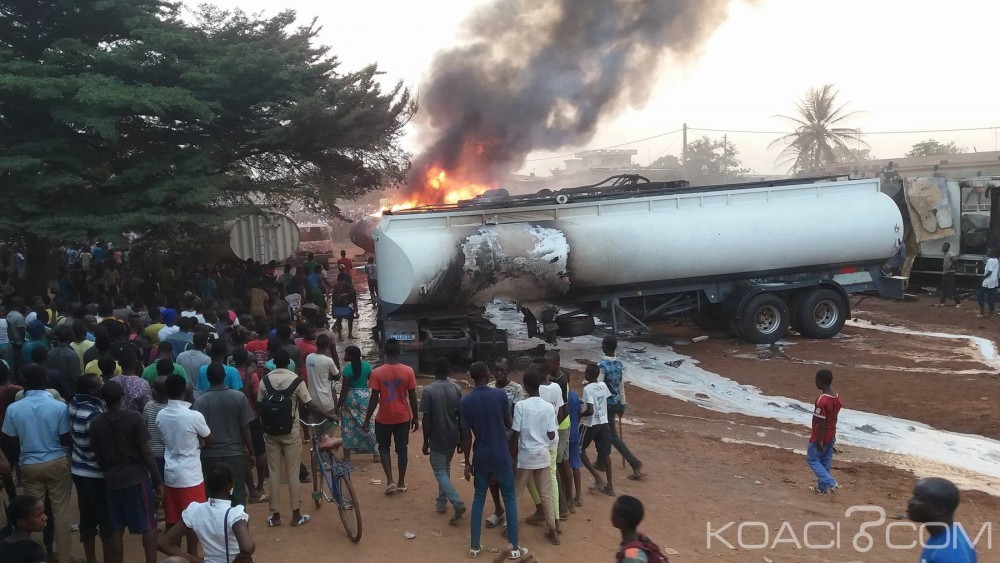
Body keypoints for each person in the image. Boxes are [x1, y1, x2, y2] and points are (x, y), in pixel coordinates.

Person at [1, 364, 73, 563]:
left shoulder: (14, 408)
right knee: (60, 512)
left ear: (24, 383)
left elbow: (10, 440)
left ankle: (38, 556)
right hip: (57, 461)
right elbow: (65, 438)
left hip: (29, 464)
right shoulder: (58, 406)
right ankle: (65, 558)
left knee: (33, 515)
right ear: (46, 382)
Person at [258, 348, 337, 527]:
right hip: (291, 432)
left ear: (274, 364)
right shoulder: (296, 380)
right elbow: (310, 405)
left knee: (274, 473)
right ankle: (296, 515)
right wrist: (330, 415)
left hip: (270, 433)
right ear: (289, 364)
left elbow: (260, 405)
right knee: (293, 473)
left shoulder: (265, 381)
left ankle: (276, 516)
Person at [89, 380, 163, 563]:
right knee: (148, 524)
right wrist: (158, 480)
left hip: (112, 480)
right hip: (137, 478)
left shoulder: (96, 423)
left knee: (116, 528)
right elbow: (146, 452)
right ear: (122, 397)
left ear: (103, 400)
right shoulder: (134, 418)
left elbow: (97, 454)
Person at [461, 361, 527, 560]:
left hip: (481, 456)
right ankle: (514, 548)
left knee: (479, 498)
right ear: (487, 374)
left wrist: (467, 462)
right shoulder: (499, 395)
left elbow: (466, 436)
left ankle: (474, 546)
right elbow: (508, 422)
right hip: (501, 454)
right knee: (510, 499)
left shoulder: (465, 401)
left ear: (472, 377)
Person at [157, 373, 211, 558]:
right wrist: (199, 439)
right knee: (193, 521)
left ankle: (175, 558)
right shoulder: (193, 416)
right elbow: (209, 438)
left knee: (173, 521)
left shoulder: (161, 415)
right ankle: (193, 557)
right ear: (185, 392)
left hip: (171, 473)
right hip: (191, 475)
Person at [158, 463, 256, 563]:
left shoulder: (195, 511)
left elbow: (163, 543)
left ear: (207, 485)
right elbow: (247, 548)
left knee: (173, 561)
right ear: (230, 486)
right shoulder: (235, 514)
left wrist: (196, 561)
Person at [194, 363, 256, 508]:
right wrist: (251, 452)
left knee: (213, 497)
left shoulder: (200, 402)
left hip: (210, 456)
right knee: (237, 496)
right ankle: (240, 528)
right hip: (233, 454)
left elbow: (198, 433)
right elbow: (245, 427)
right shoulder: (239, 397)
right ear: (225, 377)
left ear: (208, 378)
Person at [363, 338, 418, 495]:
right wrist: (414, 417)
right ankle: (401, 482)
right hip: (402, 417)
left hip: (384, 418)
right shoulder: (408, 371)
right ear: (399, 352)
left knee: (384, 448)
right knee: (402, 449)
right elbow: (413, 396)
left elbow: (374, 398)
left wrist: (367, 419)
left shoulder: (377, 373)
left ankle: (390, 481)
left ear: (384, 352)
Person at [511, 371, 559, 545]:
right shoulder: (548, 407)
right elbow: (552, 434)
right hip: (543, 454)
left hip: (526, 455)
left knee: (517, 494)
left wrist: (512, 453)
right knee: (546, 494)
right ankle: (553, 530)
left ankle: (512, 529)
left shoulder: (521, 406)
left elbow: (515, 433)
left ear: (526, 386)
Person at [68, 375, 108, 563]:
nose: (102, 386)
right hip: (95, 472)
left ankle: (90, 559)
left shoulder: (74, 403)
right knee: (104, 519)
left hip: (78, 467)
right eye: (99, 385)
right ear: (92, 391)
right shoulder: (94, 414)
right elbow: (99, 447)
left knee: (87, 517)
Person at [420, 358, 465, 523]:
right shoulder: (457, 388)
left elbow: (426, 419)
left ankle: (456, 501)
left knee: (440, 471)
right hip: (453, 436)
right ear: (449, 372)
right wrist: (461, 438)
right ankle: (441, 502)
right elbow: (461, 415)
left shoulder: (429, 390)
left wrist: (425, 441)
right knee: (445, 469)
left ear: (434, 371)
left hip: (437, 437)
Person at [599, 336, 643, 480]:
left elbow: (598, 386)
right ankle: (600, 462)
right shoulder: (618, 364)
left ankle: (634, 462)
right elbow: (621, 386)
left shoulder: (602, 366)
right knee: (602, 431)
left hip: (605, 404)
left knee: (611, 435)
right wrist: (623, 404)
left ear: (605, 346)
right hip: (616, 402)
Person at [906, 477, 978, 563]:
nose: (909, 501)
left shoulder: (947, 556)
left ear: (940, 510)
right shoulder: (947, 534)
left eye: (918, 498)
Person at [233, 349, 267, 503]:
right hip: (252, 417)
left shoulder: (230, 374)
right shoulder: (252, 375)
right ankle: (259, 486)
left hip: (235, 420)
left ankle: (250, 488)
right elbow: (256, 396)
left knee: (243, 453)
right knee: (259, 452)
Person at [335, 345, 379, 462]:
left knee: (348, 428)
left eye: (346, 354)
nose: (344, 356)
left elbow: (344, 389)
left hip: (350, 399)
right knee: (368, 425)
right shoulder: (367, 366)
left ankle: (347, 457)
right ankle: (376, 454)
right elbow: (372, 381)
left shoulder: (346, 369)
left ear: (351, 356)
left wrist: (338, 404)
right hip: (364, 397)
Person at [580, 364, 615, 496]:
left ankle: (598, 479)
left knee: (579, 449)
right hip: (603, 421)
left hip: (591, 423)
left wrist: (579, 414)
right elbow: (603, 400)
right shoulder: (603, 385)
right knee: (605, 454)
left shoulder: (587, 389)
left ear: (588, 375)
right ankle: (610, 486)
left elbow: (589, 410)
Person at [807, 369, 842, 494]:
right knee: (825, 462)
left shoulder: (822, 401)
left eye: (816, 380)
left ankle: (830, 482)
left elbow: (821, 420)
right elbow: (835, 418)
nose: (815, 382)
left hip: (821, 435)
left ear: (821, 382)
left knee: (812, 459)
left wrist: (819, 439)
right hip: (831, 434)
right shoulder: (836, 398)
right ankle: (822, 489)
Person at [611, 495, 671, 563]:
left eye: (613, 512)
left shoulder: (631, 556)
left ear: (620, 521)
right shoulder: (643, 537)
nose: (611, 514)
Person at [305, 334, 340, 435]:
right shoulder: (328, 360)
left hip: (312, 400)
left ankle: (318, 449)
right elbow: (337, 376)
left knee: (317, 430)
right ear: (328, 345)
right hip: (325, 400)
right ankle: (326, 450)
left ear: (316, 344)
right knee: (329, 431)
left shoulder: (309, 358)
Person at [0, 495, 49, 563]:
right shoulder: (34, 550)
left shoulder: (2, 545)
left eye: (43, 513)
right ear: (21, 522)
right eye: (39, 515)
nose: (45, 517)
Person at [143, 371, 170, 480]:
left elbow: (145, 426)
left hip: (154, 453)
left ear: (156, 392)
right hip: (170, 453)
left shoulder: (148, 406)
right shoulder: (174, 407)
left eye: (153, 388)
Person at [936, 242, 961, 308]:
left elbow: (954, 260)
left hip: (950, 273)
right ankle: (942, 302)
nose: (943, 248)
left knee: (952, 288)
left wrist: (951, 266)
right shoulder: (945, 254)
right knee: (943, 288)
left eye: (945, 247)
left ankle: (958, 303)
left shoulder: (950, 253)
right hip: (945, 273)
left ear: (948, 248)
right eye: (943, 246)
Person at [977, 250, 998, 319]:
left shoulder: (989, 260)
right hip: (994, 280)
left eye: (989, 251)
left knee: (980, 295)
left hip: (988, 280)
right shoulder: (996, 260)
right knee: (991, 296)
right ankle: (991, 312)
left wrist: (983, 278)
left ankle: (982, 312)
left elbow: (989, 272)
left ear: (993, 253)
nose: (987, 252)